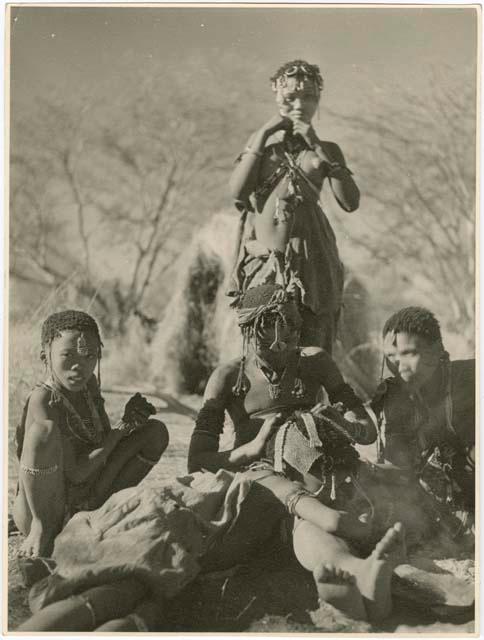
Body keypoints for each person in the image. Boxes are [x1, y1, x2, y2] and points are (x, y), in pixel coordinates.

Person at [15, 287, 404, 631]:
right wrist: (249, 450)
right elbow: (197, 462)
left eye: (291, 325)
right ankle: (351, 560)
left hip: (322, 471)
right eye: (274, 328)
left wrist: (342, 424)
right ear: (250, 331)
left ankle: (355, 573)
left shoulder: (316, 361)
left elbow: (365, 430)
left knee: (307, 525)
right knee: (307, 516)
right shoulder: (228, 378)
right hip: (261, 474)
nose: (286, 337)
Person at [13, 310, 169, 561]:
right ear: (46, 356)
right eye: (68, 355)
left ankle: (100, 511)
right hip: (45, 507)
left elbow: (101, 441)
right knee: (44, 432)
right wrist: (121, 429)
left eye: (89, 356)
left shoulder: (88, 387)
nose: (80, 365)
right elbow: (76, 472)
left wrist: (130, 422)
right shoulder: (44, 399)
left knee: (155, 432)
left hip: (85, 495)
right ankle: (42, 531)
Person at [228, 60, 360, 352]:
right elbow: (237, 191)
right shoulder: (261, 146)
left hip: (314, 260)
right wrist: (263, 133)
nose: (299, 105)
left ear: (318, 101)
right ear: (277, 97)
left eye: (309, 97)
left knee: (314, 341)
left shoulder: (328, 150)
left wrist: (316, 145)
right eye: (290, 98)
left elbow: (350, 202)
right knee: (264, 340)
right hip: (265, 258)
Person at [367, 306, 475, 540]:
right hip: (439, 502)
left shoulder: (471, 378)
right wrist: (362, 469)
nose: (399, 365)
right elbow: (398, 468)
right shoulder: (392, 397)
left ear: (436, 350)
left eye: (409, 353)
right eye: (391, 357)